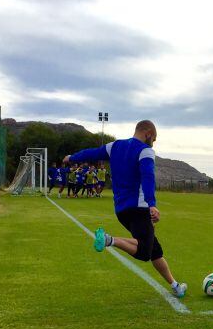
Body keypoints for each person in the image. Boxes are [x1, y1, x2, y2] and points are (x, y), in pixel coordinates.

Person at [63, 120, 187, 298]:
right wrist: (152, 203)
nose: (154, 142)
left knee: (154, 250)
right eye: (154, 138)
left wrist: (72, 157)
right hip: (139, 208)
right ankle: (109, 240)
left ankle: (175, 286)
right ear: (149, 133)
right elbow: (148, 176)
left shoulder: (115, 146)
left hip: (121, 211)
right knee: (144, 251)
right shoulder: (145, 151)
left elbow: (92, 152)